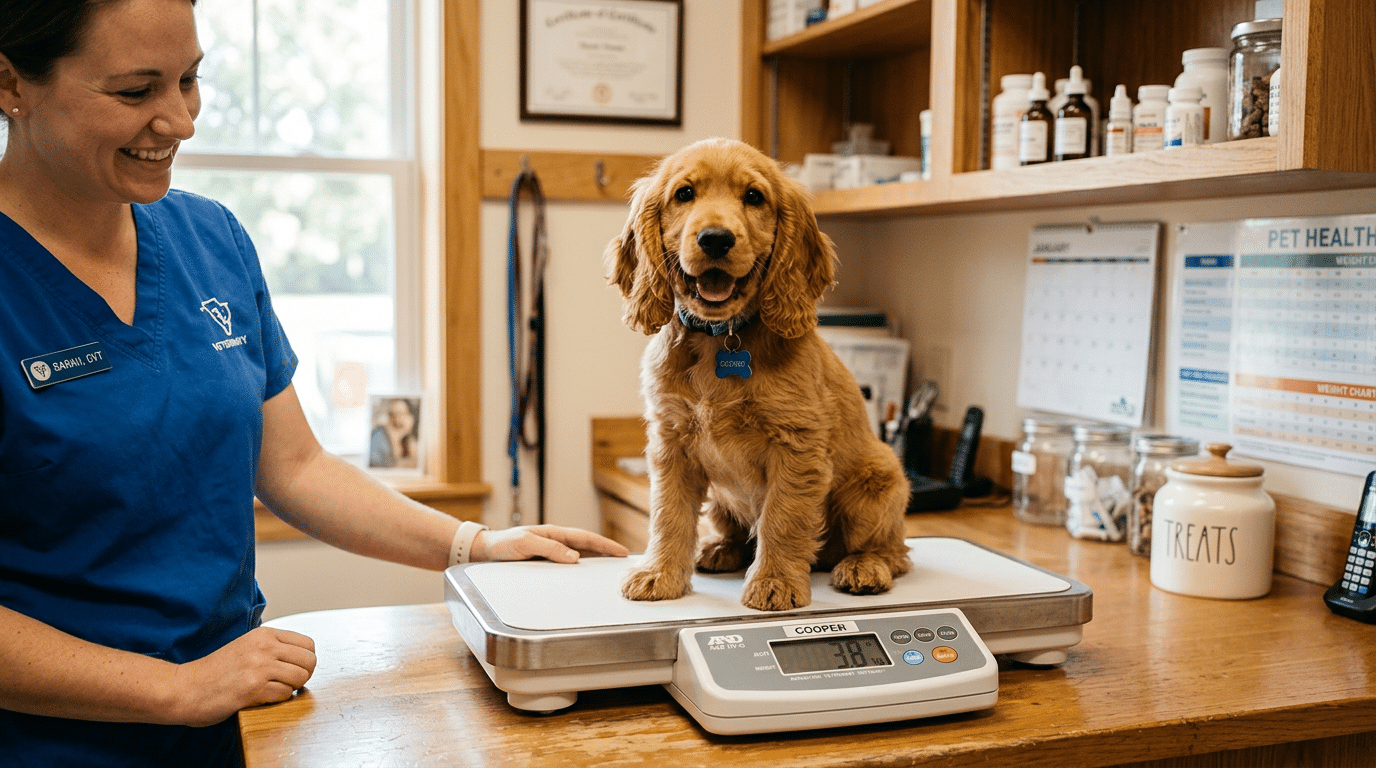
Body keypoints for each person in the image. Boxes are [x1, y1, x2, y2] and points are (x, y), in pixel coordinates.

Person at [0, 1, 628, 765]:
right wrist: (175, 689)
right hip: (60, 741)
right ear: (11, 84)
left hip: (241, 713)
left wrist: (475, 545)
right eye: (136, 93)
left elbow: (293, 465)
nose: (181, 121)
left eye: (190, 81)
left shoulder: (212, 239)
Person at [369, 397, 420, 469]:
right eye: (393, 414)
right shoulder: (378, 436)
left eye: (401, 413)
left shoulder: (410, 440)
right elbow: (385, 467)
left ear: (411, 417)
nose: (397, 419)